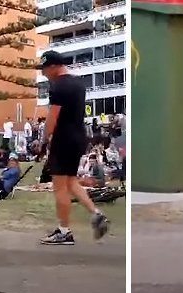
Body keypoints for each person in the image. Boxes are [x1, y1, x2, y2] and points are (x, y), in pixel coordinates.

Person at [36, 50, 110, 245]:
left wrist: (44, 141)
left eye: (44, 69)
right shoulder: (78, 84)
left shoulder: (58, 86)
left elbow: (53, 118)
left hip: (63, 139)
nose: (43, 74)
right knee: (71, 182)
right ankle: (96, 213)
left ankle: (64, 231)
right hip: (79, 138)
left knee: (60, 187)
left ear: (52, 66)